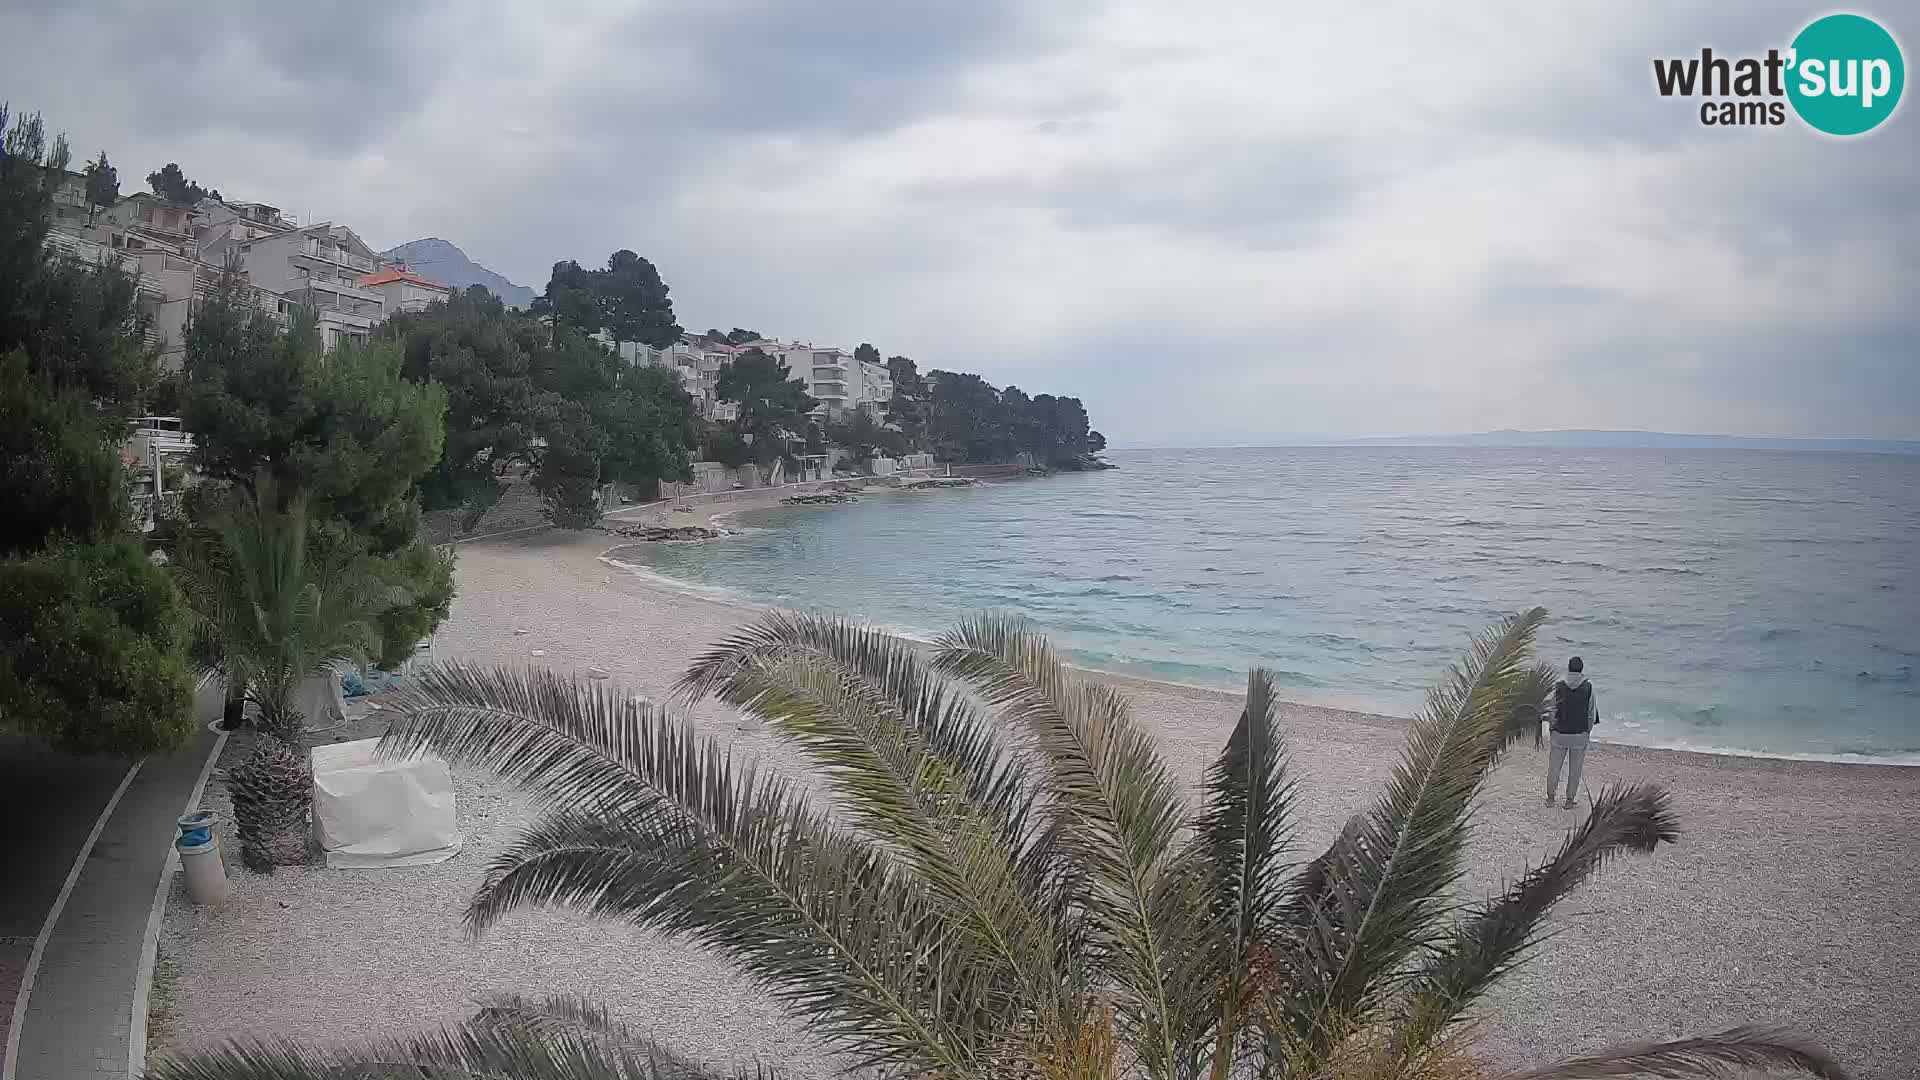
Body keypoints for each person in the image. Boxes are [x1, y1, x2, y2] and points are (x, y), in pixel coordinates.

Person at [1545, 656, 1599, 808]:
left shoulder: (1559, 686)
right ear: (1581, 669)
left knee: (1554, 766)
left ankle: (1550, 798)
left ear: (1569, 668)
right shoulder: (1588, 687)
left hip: (1559, 734)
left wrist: (1552, 727)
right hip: (1579, 734)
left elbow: (1552, 709)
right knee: (1575, 769)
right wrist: (1587, 730)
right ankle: (1569, 800)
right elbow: (1591, 713)